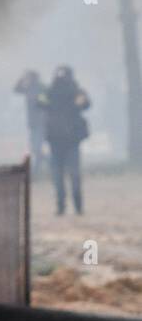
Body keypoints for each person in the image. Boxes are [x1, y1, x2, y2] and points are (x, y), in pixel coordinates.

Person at [39, 65, 90, 215]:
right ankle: (74, 207)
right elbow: (85, 104)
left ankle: (65, 207)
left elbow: (40, 103)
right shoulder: (73, 91)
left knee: (61, 176)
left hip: (61, 141)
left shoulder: (54, 91)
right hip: (66, 140)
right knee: (69, 175)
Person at [14, 70, 47, 177]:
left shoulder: (41, 88)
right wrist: (21, 79)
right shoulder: (29, 88)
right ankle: (40, 168)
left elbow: (45, 103)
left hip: (41, 123)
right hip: (33, 123)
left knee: (36, 148)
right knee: (35, 148)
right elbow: (16, 89)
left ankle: (39, 169)